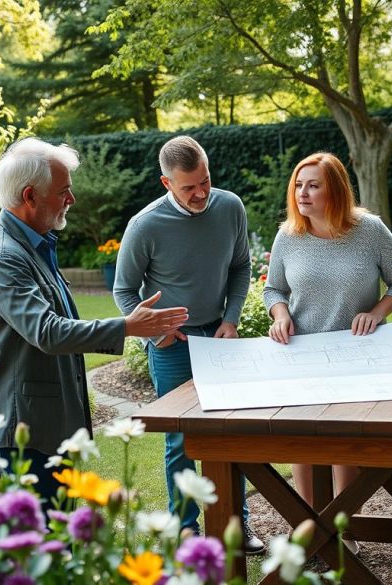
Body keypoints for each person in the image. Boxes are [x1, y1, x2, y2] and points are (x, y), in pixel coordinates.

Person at [0, 137, 189, 507]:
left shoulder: (34, 242)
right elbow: (48, 331)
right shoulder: (3, 258)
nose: (71, 199)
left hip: (48, 425)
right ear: (30, 196)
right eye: (64, 191)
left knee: (62, 544)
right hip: (26, 432)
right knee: (41, 549)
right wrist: (128, 326)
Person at [114, 135, 265, 554]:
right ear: (166, 183)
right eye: (188, 187)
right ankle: (186, 529)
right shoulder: (144, 225)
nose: (201, 193)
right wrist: (155, 332)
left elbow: (240, 266)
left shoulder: (230, 206)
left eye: (205, 181)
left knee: (230, 431)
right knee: (181, 439)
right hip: (171, 345)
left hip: (220, 334)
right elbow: (124, 292)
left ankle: (237, 526)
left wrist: (232, 319)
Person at [263, 151, 392, 554]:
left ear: (336, 190)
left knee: (344, 442)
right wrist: (280, 315)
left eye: (313, 185)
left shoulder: (369, 230)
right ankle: (309, 528)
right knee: (302, 442)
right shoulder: (288, 236)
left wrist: (376, 313)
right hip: (300, 355)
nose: (303, 193)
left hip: (356, 355)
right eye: (298, 184)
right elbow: (273, 288)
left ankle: (340, 528)